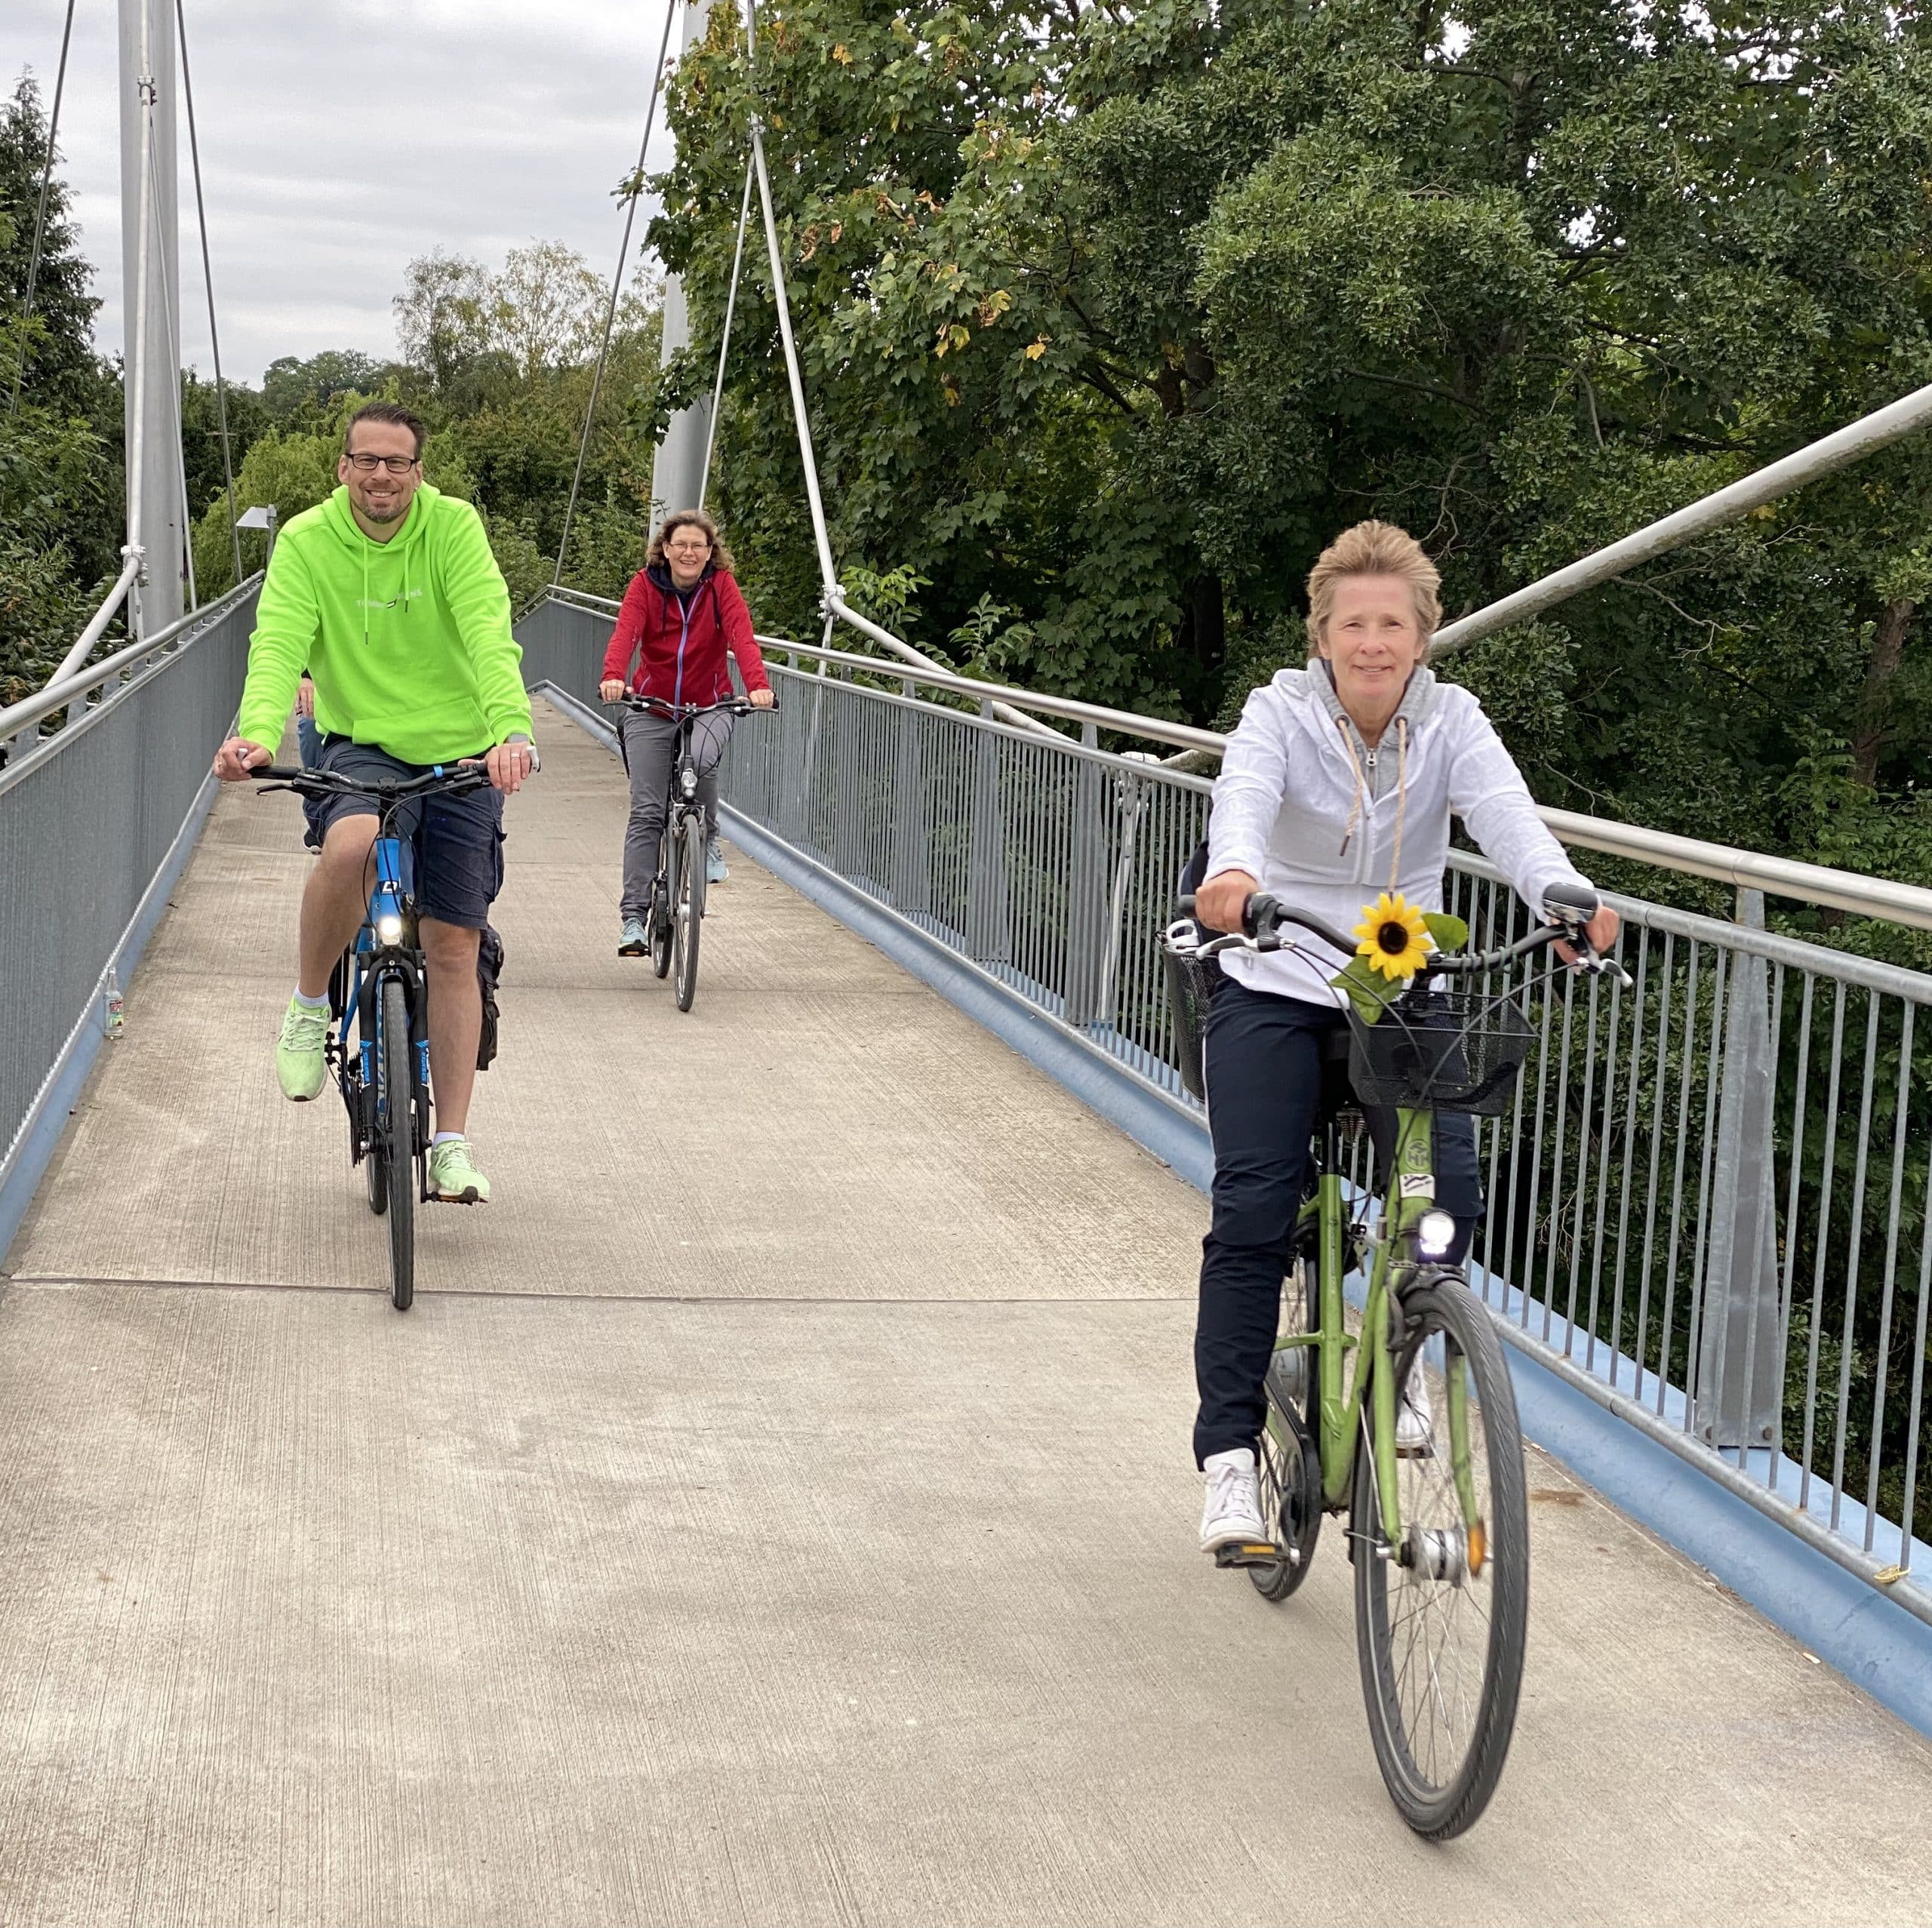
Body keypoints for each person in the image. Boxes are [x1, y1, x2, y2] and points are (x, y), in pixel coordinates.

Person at [1190, 520, 1619, 1554]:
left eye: (1392, 624)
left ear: (1422, 637)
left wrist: (1563, 894)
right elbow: (1242, 795)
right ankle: (1230, 1459)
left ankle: (1406, 1346)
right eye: (1353, 624)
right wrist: (1234, 875)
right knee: (1254, 1209)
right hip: (1276, 972)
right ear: (1322, 636)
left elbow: (1507, 816)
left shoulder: (1452, 720)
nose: (1372, 642)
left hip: (1397, 982)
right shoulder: (1278, 713)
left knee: (1444, 1201)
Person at [211, 401, 537, 1206]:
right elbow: (278, 642)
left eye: (397, 462)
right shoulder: (308, 540)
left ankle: (451, 1144)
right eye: (367, 460)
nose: (381, 475)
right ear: (344, 467)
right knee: (351, 846)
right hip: (360, 739)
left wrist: (511, 730)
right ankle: (308, 1004)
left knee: (453, 945)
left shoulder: (453, 529)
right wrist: (257, 733)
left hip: (461, 747)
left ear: (417, 471)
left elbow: (488, 632)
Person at [598, 509, 774, 955]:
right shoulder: (645, 585)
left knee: (704, 758)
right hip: (652, 707)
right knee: (647, 812)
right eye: (681, 544)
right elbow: (626, 634)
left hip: (709, 703)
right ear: (666, 549)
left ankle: (707, 838)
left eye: (698, 545)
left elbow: (742, 637)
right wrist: (614, 676)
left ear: (710, 552)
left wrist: (757, 686)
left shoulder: (721, 587)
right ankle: (634, 919)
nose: (689, 552)